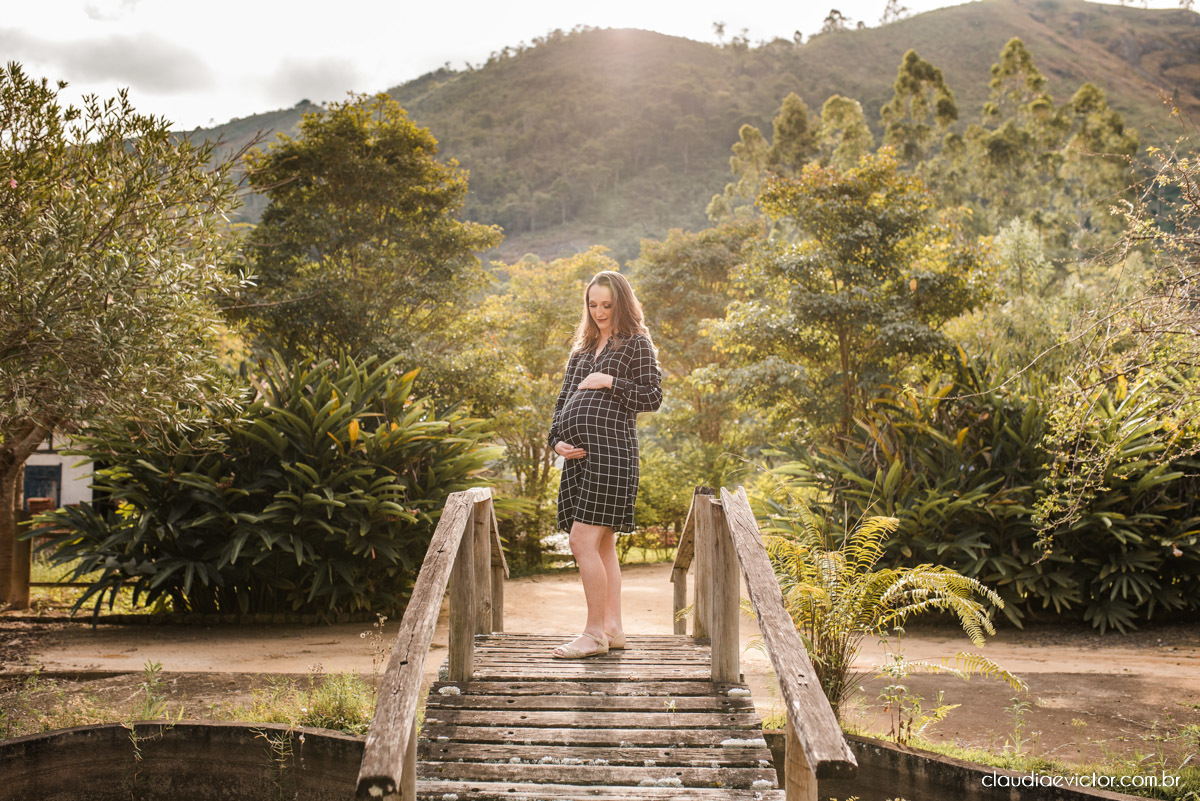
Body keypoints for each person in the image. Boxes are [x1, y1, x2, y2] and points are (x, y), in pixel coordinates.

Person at [546, 270, 663, 659]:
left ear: (622, 304)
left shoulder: (636, 345)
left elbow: (652, 397)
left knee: (580, 541)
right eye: (593, 304)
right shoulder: (580, 351)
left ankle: (593, 634)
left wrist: (609, 381)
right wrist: (556, 441)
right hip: (578, 459)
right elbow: (562, 403)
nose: (599, 312)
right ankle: (613, 629)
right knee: (603, 545)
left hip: (613, 456)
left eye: (607, 305)